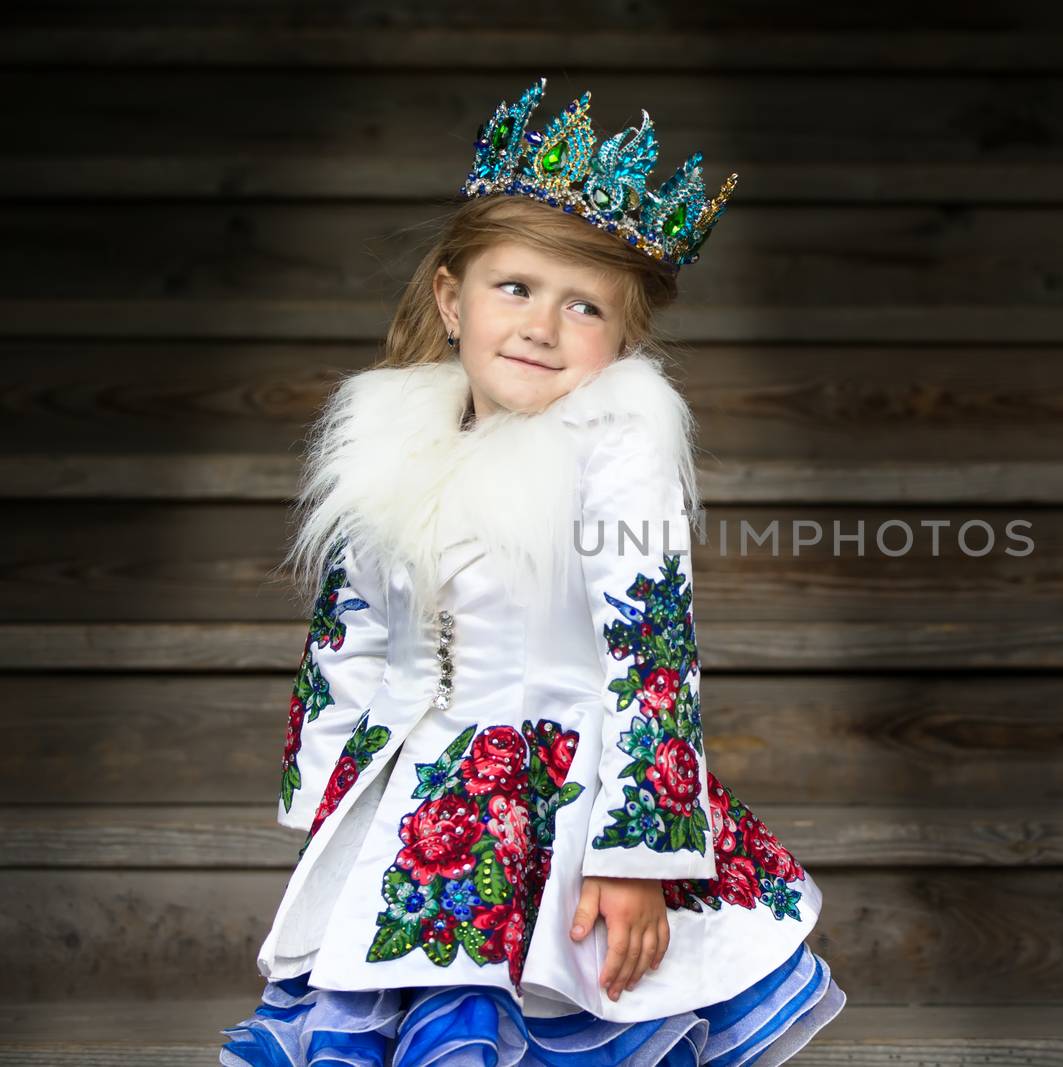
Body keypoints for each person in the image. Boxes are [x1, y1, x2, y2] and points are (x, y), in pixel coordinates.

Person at [220, 76, 846, 1066]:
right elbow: (353, 636)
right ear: (450, 297)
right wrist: (328, 807)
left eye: (584, 305)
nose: (541, 326)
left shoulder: (615, 449)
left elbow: (652, 657)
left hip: (556, 808)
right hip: (410, 811)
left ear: (623, 338)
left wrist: (637, 858)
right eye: (514, 287)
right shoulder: (392, 446)